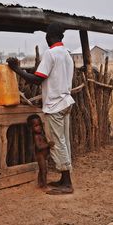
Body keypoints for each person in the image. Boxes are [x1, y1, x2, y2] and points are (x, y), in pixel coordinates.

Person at [7, 22, 75, 194]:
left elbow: (37, 79)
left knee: (57, 143)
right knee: (64, 142)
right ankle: (64, 179)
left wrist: (16, 69)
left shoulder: (51, 54)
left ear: (48, 37)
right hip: (66, 102)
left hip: (55, 105)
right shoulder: (67, 54)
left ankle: (67, 184)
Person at [27, 114, 54, 189]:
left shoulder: (41, 134)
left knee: (41, 170)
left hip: (44, 155)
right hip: (40, 156)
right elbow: (39, 147)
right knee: (44, 170)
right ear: (31, 128)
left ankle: (40, 183)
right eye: (36, 126)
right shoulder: (36, 136)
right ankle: (45, 186)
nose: (39, 127)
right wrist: (48, 145)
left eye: (40, 125)